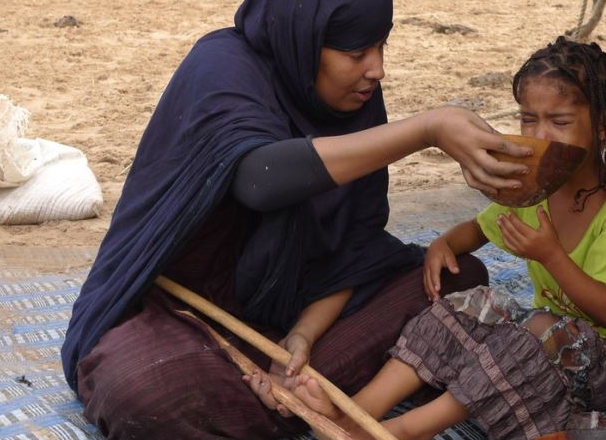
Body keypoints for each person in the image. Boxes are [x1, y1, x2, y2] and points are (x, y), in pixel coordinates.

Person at [61, 1, 534, 438]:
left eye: (381, 47)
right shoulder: (221, 64)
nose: (377, 69)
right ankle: (299, 400)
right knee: (149, 391)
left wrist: (301, 337)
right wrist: (424, 130)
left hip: (292, 310)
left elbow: (353, 249)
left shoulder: (358, 97)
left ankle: (298, 401)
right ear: (303, 40)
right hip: (176, 313)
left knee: (455, 278)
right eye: (357, 52)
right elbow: (259, 179)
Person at [261, 36, 606, 440]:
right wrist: (445, 244)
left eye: (561, 122)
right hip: (555, 353)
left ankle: (407, 430)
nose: (539, 137)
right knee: (465, 305)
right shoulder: (539, 186)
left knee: (523, 337)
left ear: (604, 124)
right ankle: (357, 414)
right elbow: (479, 229)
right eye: (528, 119)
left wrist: (551, 256)